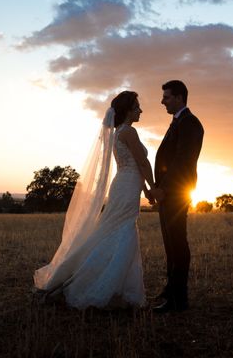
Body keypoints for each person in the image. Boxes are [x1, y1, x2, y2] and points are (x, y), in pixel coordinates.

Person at [34, 91, 156, 309]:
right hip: (127, 187)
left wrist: (145, 189)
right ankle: (100, 286)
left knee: (114, 230)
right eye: (137, 106)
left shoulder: (119, 132)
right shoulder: (129, 132)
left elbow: (136, 166)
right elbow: (143, 163)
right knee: (123, 230)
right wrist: (154, 188)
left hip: (125, 185)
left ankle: (115, 285)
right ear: (127, 110)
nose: (140, 110)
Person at [150, 80, 204, 312]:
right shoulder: (178, 121)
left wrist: (164, 188)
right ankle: (171, 289)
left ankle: (178, 300)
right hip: (168, 192)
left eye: (167, 97)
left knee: (178, 243)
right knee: (170, 243)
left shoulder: (190, 123)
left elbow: (183, 160)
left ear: (180, 97)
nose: (162, 101)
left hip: (177, 191)